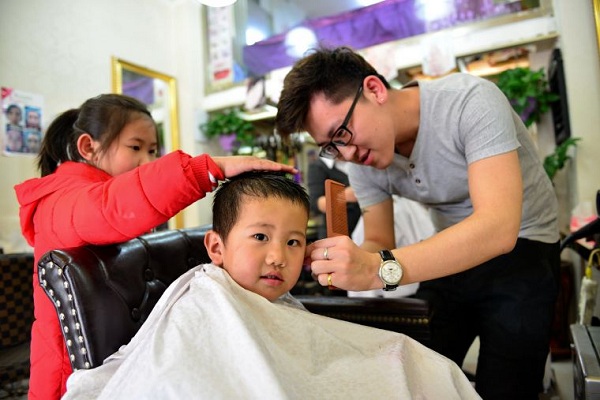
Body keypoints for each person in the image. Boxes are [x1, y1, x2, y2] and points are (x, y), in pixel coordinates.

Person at [275, 46, 560, 400]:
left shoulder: (470, 102)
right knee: (417, 371)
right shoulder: (362, 160)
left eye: (342, 133)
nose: (346, 154)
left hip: (525, 244)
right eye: (330, 146)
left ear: (375, 90)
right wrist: (341, 259)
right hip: (453, 248)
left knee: (508, 384)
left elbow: (498, 228)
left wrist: (379, 269)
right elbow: (378, 239)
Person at [62, 172, 480, 399]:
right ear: (216, 247)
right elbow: (178, 378)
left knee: (421, 364)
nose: (279, 255)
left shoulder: (273, 299)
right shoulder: (206, 301)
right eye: (260, 237)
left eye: (294, 241)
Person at [13, 94, 297, 400]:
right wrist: (205, 170)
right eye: (135, 147)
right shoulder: (62, 200)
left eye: (152, 151)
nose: (147, 161)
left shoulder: (86, 194)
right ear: (88, 147)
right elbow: (112, 206)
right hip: (65, 374)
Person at [307, 155, 361, 239]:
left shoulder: (355, 163)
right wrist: (345, 195)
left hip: (361, 227)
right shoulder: (318, 167)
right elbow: (315, 203)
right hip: (336, 232)